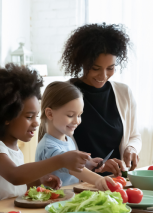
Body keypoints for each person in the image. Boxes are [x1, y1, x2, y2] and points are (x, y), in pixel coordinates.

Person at [0, 64, 92, 203]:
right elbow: (15, 176)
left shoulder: (15, 150)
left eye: (37, 116)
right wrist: (61, 160)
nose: (36, 123)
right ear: (7, 117)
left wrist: (39, 182)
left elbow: (14, 186)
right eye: (29, 117)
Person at [60, 23, 142, 176]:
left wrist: (131, 148)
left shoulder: (124, 93)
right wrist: (98, 165)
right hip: (78, 183)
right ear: (82, 62)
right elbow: (53, 150)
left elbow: (134, 136)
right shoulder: (63, 93)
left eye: (110, 68)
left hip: (116, 181)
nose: (103, 76)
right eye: (96, 68)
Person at [35, 81, 116, 190]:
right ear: (50, 114)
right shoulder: (48, 147)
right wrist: (98, 179)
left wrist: (88, 163)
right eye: (70, 115)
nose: (77, 121)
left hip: (68, 198)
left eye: (79, 115)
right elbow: (70, 167)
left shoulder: (68, 140)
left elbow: (70, 168)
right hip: (54, 202)